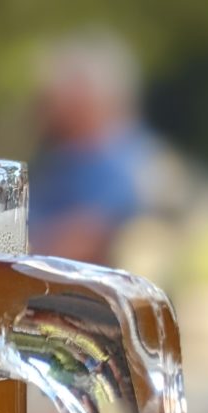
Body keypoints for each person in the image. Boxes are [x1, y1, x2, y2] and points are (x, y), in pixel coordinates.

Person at [30, 31, 156, 264]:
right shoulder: (62, 158)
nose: (47, 103)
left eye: (59, 92)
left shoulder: (123, 163)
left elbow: (83, 240)